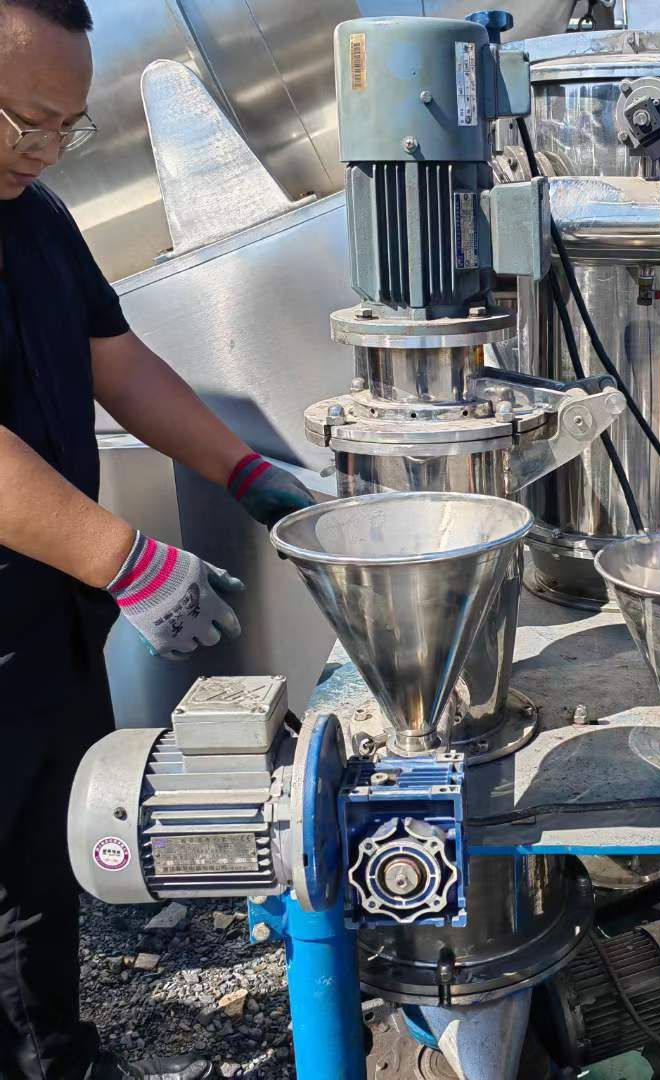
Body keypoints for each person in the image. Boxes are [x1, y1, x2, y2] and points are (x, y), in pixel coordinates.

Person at [0, 1, 316, 1076]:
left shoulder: (38, 219)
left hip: (45, 620)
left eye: (68, 127)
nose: (46, 149)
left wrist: (247, 471)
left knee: (41, 869)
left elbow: (117, 361)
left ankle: (56, 1054)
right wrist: (126, 558)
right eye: (26, 121)